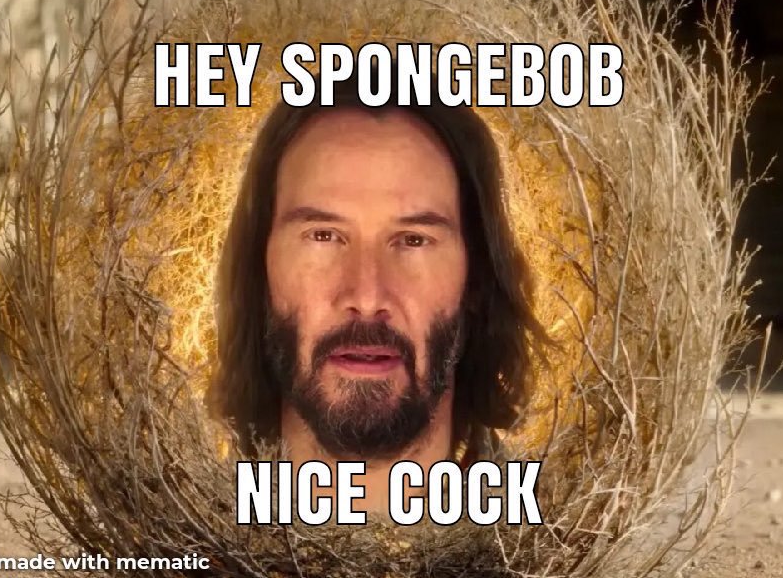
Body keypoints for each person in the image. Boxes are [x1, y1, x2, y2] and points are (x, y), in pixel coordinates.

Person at [208, 62, 545, 514]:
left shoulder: (572, 544)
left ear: (476, 279)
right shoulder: (163, 540)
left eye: (413, 240)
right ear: (258, 269)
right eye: (323, 235)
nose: (367, 298)